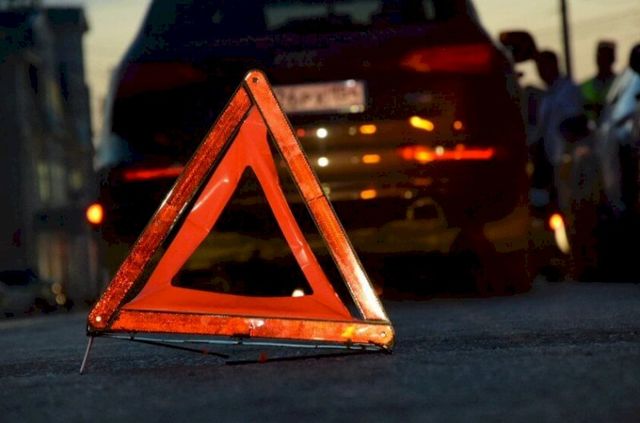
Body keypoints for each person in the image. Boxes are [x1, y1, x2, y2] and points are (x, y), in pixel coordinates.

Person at [533, 50, 585, 213]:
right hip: (552, 160)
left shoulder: (568, 90)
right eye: (538, 68)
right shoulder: (547, 96)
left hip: (568, 159)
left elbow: (575, 122)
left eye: (544, 66)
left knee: (569, 205)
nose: (541, 71)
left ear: (554, 65)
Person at [581, 41, 617, 124]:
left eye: (606, 57)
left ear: (613, 59)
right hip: (590, 129)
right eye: (601, 56)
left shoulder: (620, 84)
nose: (603, 60)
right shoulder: (584, 87)